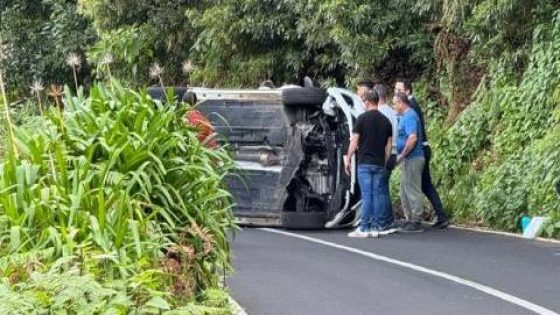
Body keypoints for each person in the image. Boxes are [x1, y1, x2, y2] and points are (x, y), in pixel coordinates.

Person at [395, 79, 449, 228]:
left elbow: (413, 136)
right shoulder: (409, 108)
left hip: (418, 150)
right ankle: (439, 215)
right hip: (417, 150)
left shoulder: (411, 108)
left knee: (418, 185)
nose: (396, 92)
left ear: (407, 92)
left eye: (399, 90)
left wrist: (403, 153)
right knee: (424, 185)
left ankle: (420, 217)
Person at [344, 90, 393, 238]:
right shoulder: (386, 121)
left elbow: (354, 141)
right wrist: (384, 161)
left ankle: (364, 227)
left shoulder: (361, 119)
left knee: (367, 196)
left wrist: (348, 158)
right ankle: (376, 227)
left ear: (367, 102)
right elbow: (389, 147)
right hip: (379, 163)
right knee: (378, 195)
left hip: (365, 163)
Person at [393, 92, 425, 233]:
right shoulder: (404, 117)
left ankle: (417, 220)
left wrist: (403, 154)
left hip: (413, 157)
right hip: (408, 159)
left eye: (395, 103)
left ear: (401, 102)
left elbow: (412, 138)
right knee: (404, 190)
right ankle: (410, 218)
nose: (393, 106)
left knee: (412, 190)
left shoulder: (411, 116)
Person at [373, 83, 399, 233]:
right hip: (394, 153)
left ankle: (383, 220)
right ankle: (388, 218)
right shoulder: (392, 111)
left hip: (385, 153)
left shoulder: (380, 113)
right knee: (384, 187)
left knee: (380, 189)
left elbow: (382, 137)